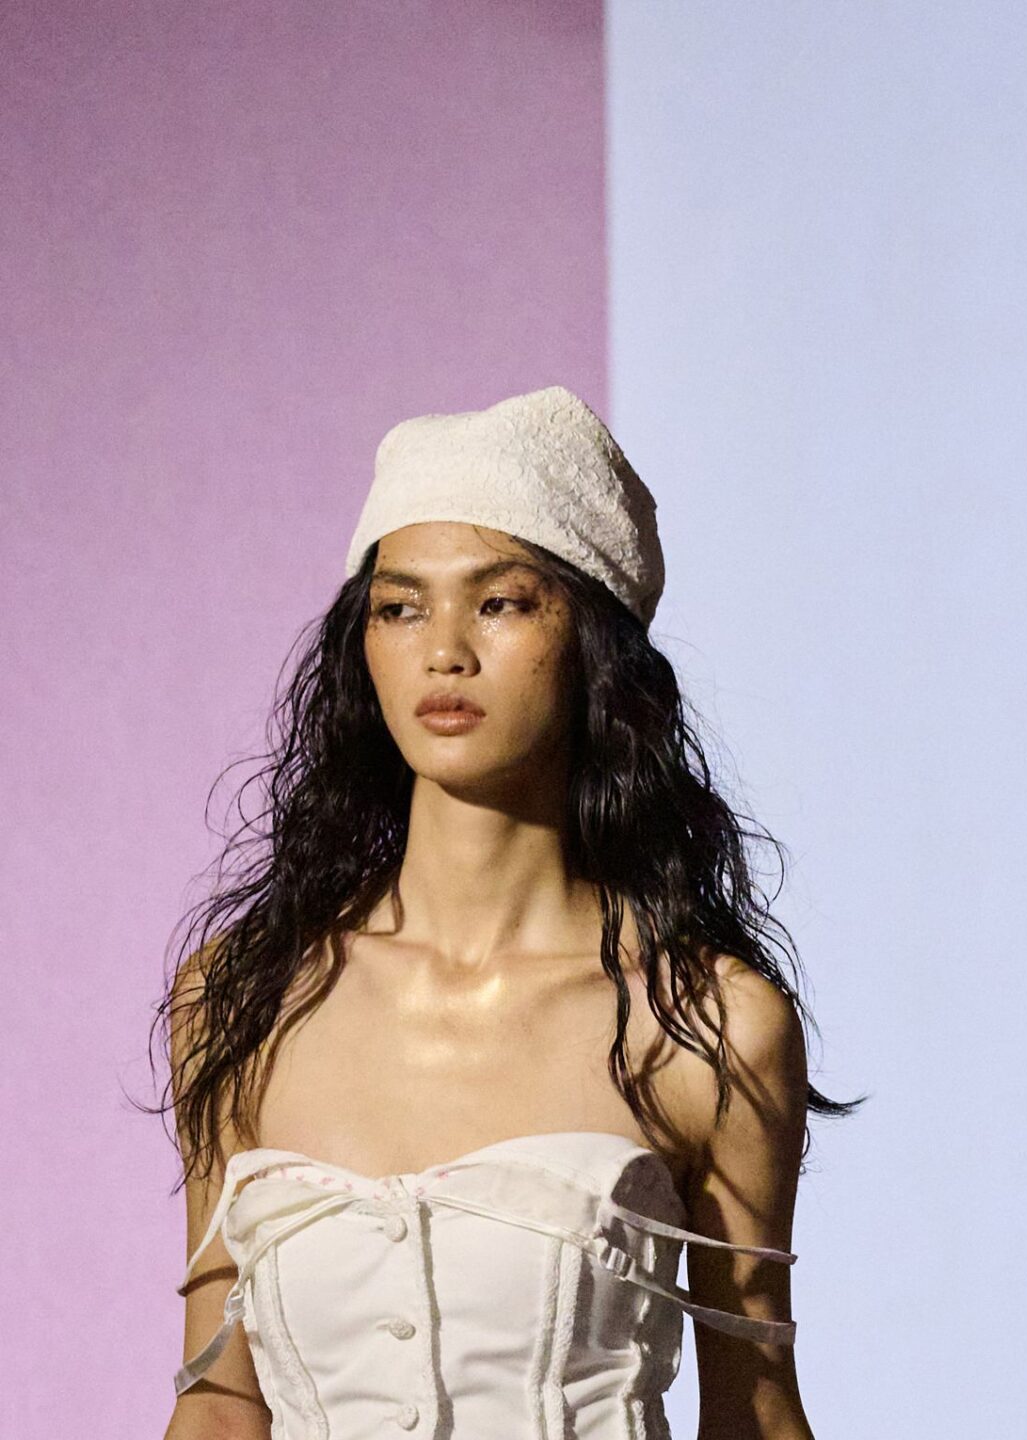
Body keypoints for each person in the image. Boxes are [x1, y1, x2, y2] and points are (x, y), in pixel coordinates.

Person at [147, 384, 858, 1440]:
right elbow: (217, 1408)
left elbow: (753, 1413)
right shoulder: (241, 998)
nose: (444, 650)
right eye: (400, 607)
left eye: (502, 603)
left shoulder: (709, 1024)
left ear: (593, 644)